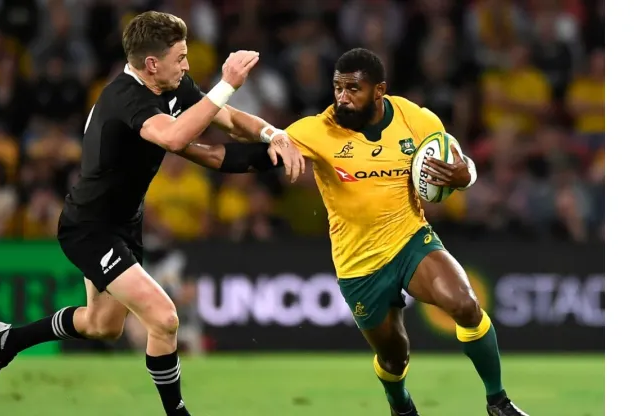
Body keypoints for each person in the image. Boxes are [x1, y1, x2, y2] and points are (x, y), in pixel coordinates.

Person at [0, 11, 304, 416]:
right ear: (152, 63)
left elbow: (228, 122)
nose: (187, 65)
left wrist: (274, 134)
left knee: (102, 326)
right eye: (180, 57)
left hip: (124, 223)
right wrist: (228, 84)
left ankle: (6, 341)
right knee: (164, 319)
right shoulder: (126, 98)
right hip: (90, 227)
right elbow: (174, 136)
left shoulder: (171, 84)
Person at [204, 47, 526, 416]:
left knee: (465, 305)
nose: (343, 96)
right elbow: (250, 148)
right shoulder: (316, 130)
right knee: (393, 356)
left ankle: (498, 401)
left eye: (353, 88)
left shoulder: (415, 119)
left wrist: (465, 174)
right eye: (338, 88)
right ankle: (400, 405)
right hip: (359, 265)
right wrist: (195, 132)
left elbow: (458, 160)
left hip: (410, 240)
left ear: (379, 90)